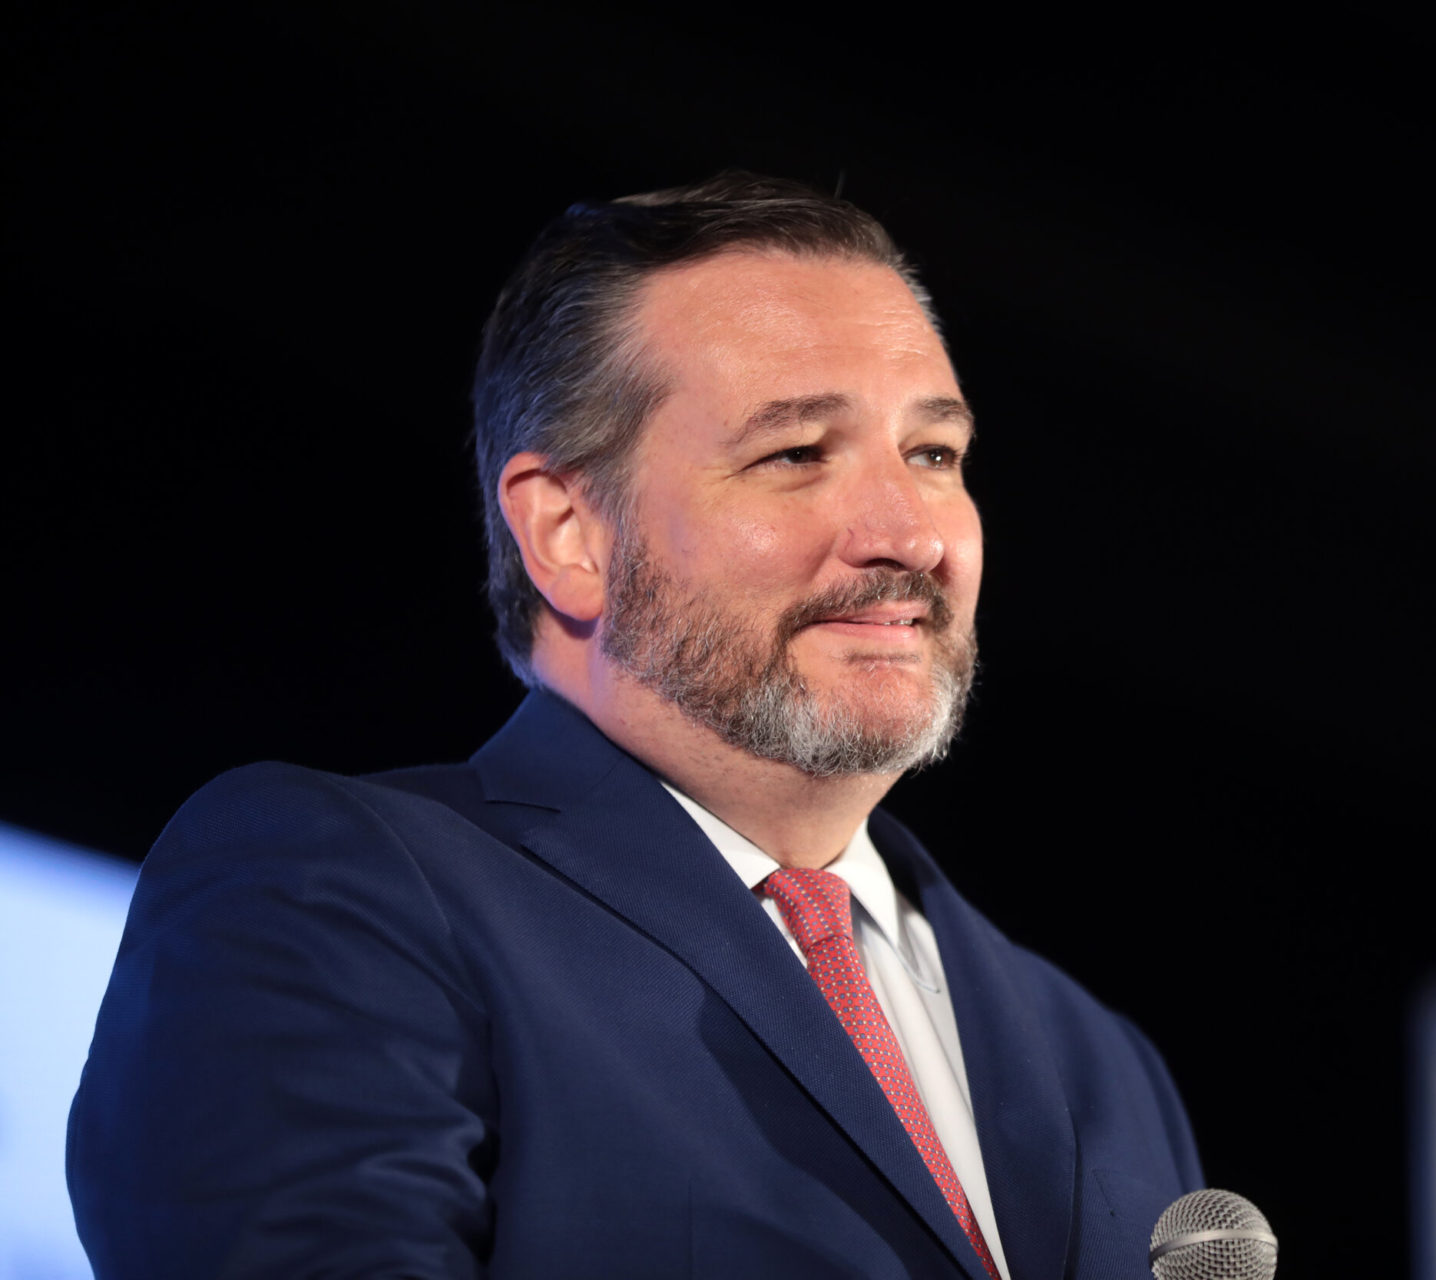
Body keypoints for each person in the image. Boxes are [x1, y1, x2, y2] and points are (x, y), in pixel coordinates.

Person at [68, 173, 1203, 1278]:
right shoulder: (333, 887)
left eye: (934, 453)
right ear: (568, 532)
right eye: (797, 452)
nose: (909, 532)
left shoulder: (1100, 1058)